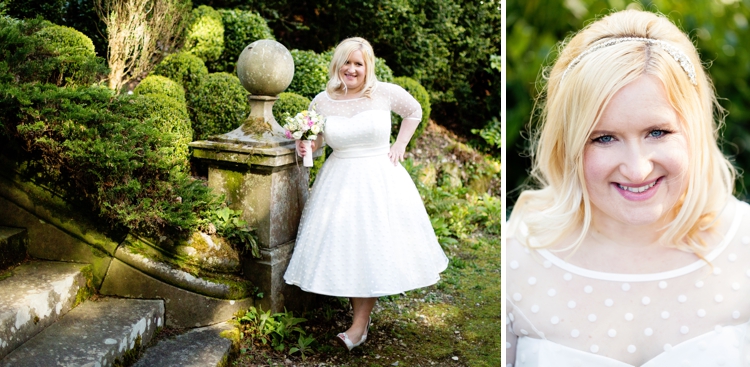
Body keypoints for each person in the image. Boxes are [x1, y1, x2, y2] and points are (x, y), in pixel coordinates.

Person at [506, 9, 750, 366]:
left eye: (658, 132)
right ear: (569, 144)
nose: (637, 169)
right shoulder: (517, 258)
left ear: (694, 129)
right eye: (604, 138)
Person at [283, 37, 448, 351]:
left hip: (379, 179)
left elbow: (413, 111)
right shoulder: (322, 101)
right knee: (350, 249)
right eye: (347, 62)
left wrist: (400, 144)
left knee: (371, 247)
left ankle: (359, 325)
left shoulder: (384, 92)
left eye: (358, 63)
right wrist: (305, 144)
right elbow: (316, 143)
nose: (352, 69)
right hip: (339, 181)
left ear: (368, 66)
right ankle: (359, 319)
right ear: (337, 65)